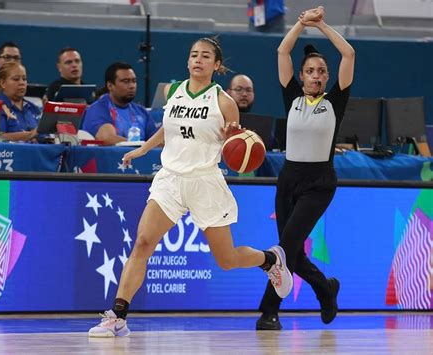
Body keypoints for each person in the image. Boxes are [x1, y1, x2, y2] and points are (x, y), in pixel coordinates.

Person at [87, 37, 293, 337]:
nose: (198, 59)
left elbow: (234, 148)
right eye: (194, 54)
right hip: (170, 178)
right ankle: (117, 316)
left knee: (226, 260)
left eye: (205, 56)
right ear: (187, 61)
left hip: (204, 181)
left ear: (216, 65)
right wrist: (143, 149)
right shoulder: (175, 90)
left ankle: (270, 260)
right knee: (143, 242)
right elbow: (167, 128)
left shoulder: (224, 102)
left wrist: (231, 137)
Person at [256, 6, 355, 330]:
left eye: (321, 71)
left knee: (285, 249)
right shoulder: (292, 98)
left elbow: (349, 52)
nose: (315, 75)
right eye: (310, 70)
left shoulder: (334, 102)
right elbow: (282, 49)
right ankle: (325, 289)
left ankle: (269, 311)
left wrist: (322, 24)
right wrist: (300, 23)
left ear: (327, 77)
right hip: (288, 179)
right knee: (292, 253)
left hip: (319, 183)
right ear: (301, 76)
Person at [81, 62, 157, 145]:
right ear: (110, 86)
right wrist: (141, 147)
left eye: (134, 81)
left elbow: (157, 140)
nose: (132, 86)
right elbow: (106, 138)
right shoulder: (98, 109)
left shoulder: (141, 111)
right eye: (126, 81)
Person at [0, 61, 42, 142]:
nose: (22, 83)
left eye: (24, 79)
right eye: (16, 79)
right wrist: (31, 135)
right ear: (3, 83)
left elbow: (43, 135)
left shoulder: (34, 108)